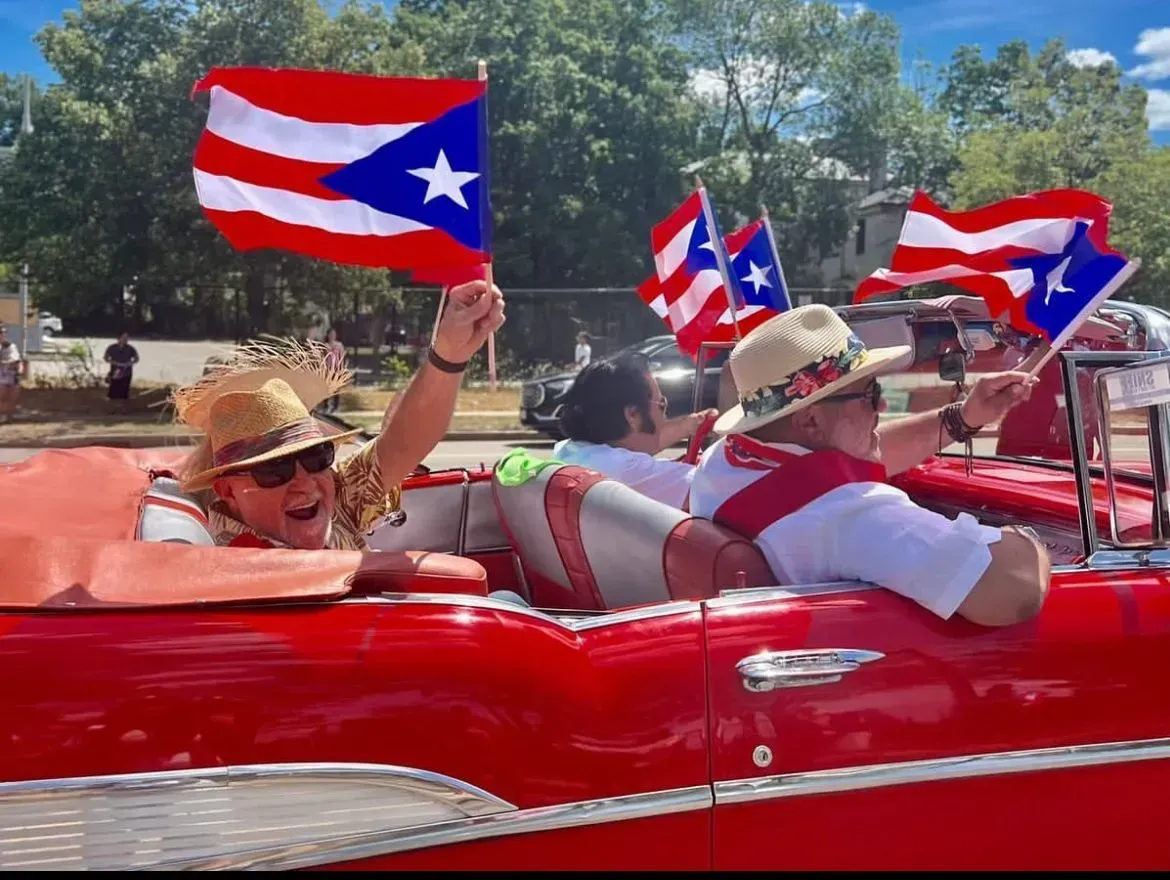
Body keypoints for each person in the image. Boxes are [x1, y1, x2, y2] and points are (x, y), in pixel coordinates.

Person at [689, 304, 1051, 628]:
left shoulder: (725, 460)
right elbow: (1011, 592)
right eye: (870, 395)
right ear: (810, 420)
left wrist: (964, 417)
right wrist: (1028, 537)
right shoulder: (847, 514)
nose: (881, 409)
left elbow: (842, 462)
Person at [175, 279, 505, 551]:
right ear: (228, 491)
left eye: (318, 456)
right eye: (275, 470)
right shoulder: (231, 562)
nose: (305, 482)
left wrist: (450, 353)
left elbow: (402, 446)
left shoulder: (333, 494)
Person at [553, 352, 717, 509]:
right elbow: (720, 487)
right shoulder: (626, 471)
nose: (664, 418)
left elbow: (644, 443)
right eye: (661, 405)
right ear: (632, 414)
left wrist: (687, 427)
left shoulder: (568, 450)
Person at [103, 332, 139, 413]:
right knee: (113, 391)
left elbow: (136, 359)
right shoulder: (112, 348)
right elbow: (105, 358)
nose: (125, 339)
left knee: (124, 391)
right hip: (116, 371)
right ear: (119, 338)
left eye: (127, 338)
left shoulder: (130, 348)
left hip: (126, 371)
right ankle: (112, 409)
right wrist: (112, 362)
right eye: (123, 337)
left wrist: (131, 363)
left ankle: (123, 409)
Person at [0, 327, 24, 424]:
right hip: (1, 374)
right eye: (1, 333)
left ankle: (9, 417)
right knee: (2, 396)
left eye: (4, 333)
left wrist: (20, 368)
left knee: (13, 397)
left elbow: (17, 360)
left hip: (13, 374)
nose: (3, 335)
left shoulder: (11, 346)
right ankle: (1, 415)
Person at [322, 328, 346, 414]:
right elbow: (323, 357)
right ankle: (326, 406)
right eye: (330, 334)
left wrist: (342, 368)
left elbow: (342, 357)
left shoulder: (339, 345)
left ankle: (335, 406)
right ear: (328, 335)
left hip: (336, 369)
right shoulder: (325, 345)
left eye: (333, 334)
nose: (332, 335)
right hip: (328, 369)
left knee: (336, 389)